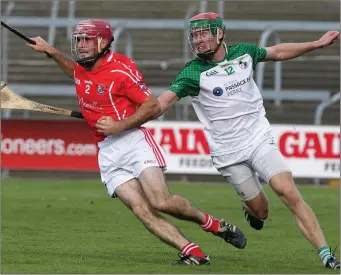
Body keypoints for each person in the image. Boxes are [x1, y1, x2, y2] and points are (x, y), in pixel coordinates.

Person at [91, 13, 340, 269]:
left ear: (220, 34)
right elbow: (159, 105)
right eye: (195, 36)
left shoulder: (244, 53)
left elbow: (277, 51)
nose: (198, 40)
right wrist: (122, 124)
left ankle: (326, 254)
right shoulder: (192, 72)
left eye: (204, 34)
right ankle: (250, 208)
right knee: (261, 212)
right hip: (228, 152)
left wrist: (316, 44)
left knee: (287, 190)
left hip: (258, 138)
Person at [25, 19, 247, 266]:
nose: (81, 45)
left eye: (87, 39)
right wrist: (51, 52)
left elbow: (152, 106)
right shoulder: (83, 68)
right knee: (142, 211)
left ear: (102, 42)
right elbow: (76, 73)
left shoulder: (121, 69)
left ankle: (214, 225)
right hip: (107, 152)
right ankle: (192, 252)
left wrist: (119, 125)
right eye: (79, 40)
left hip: (133, 141)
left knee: (161, 202)